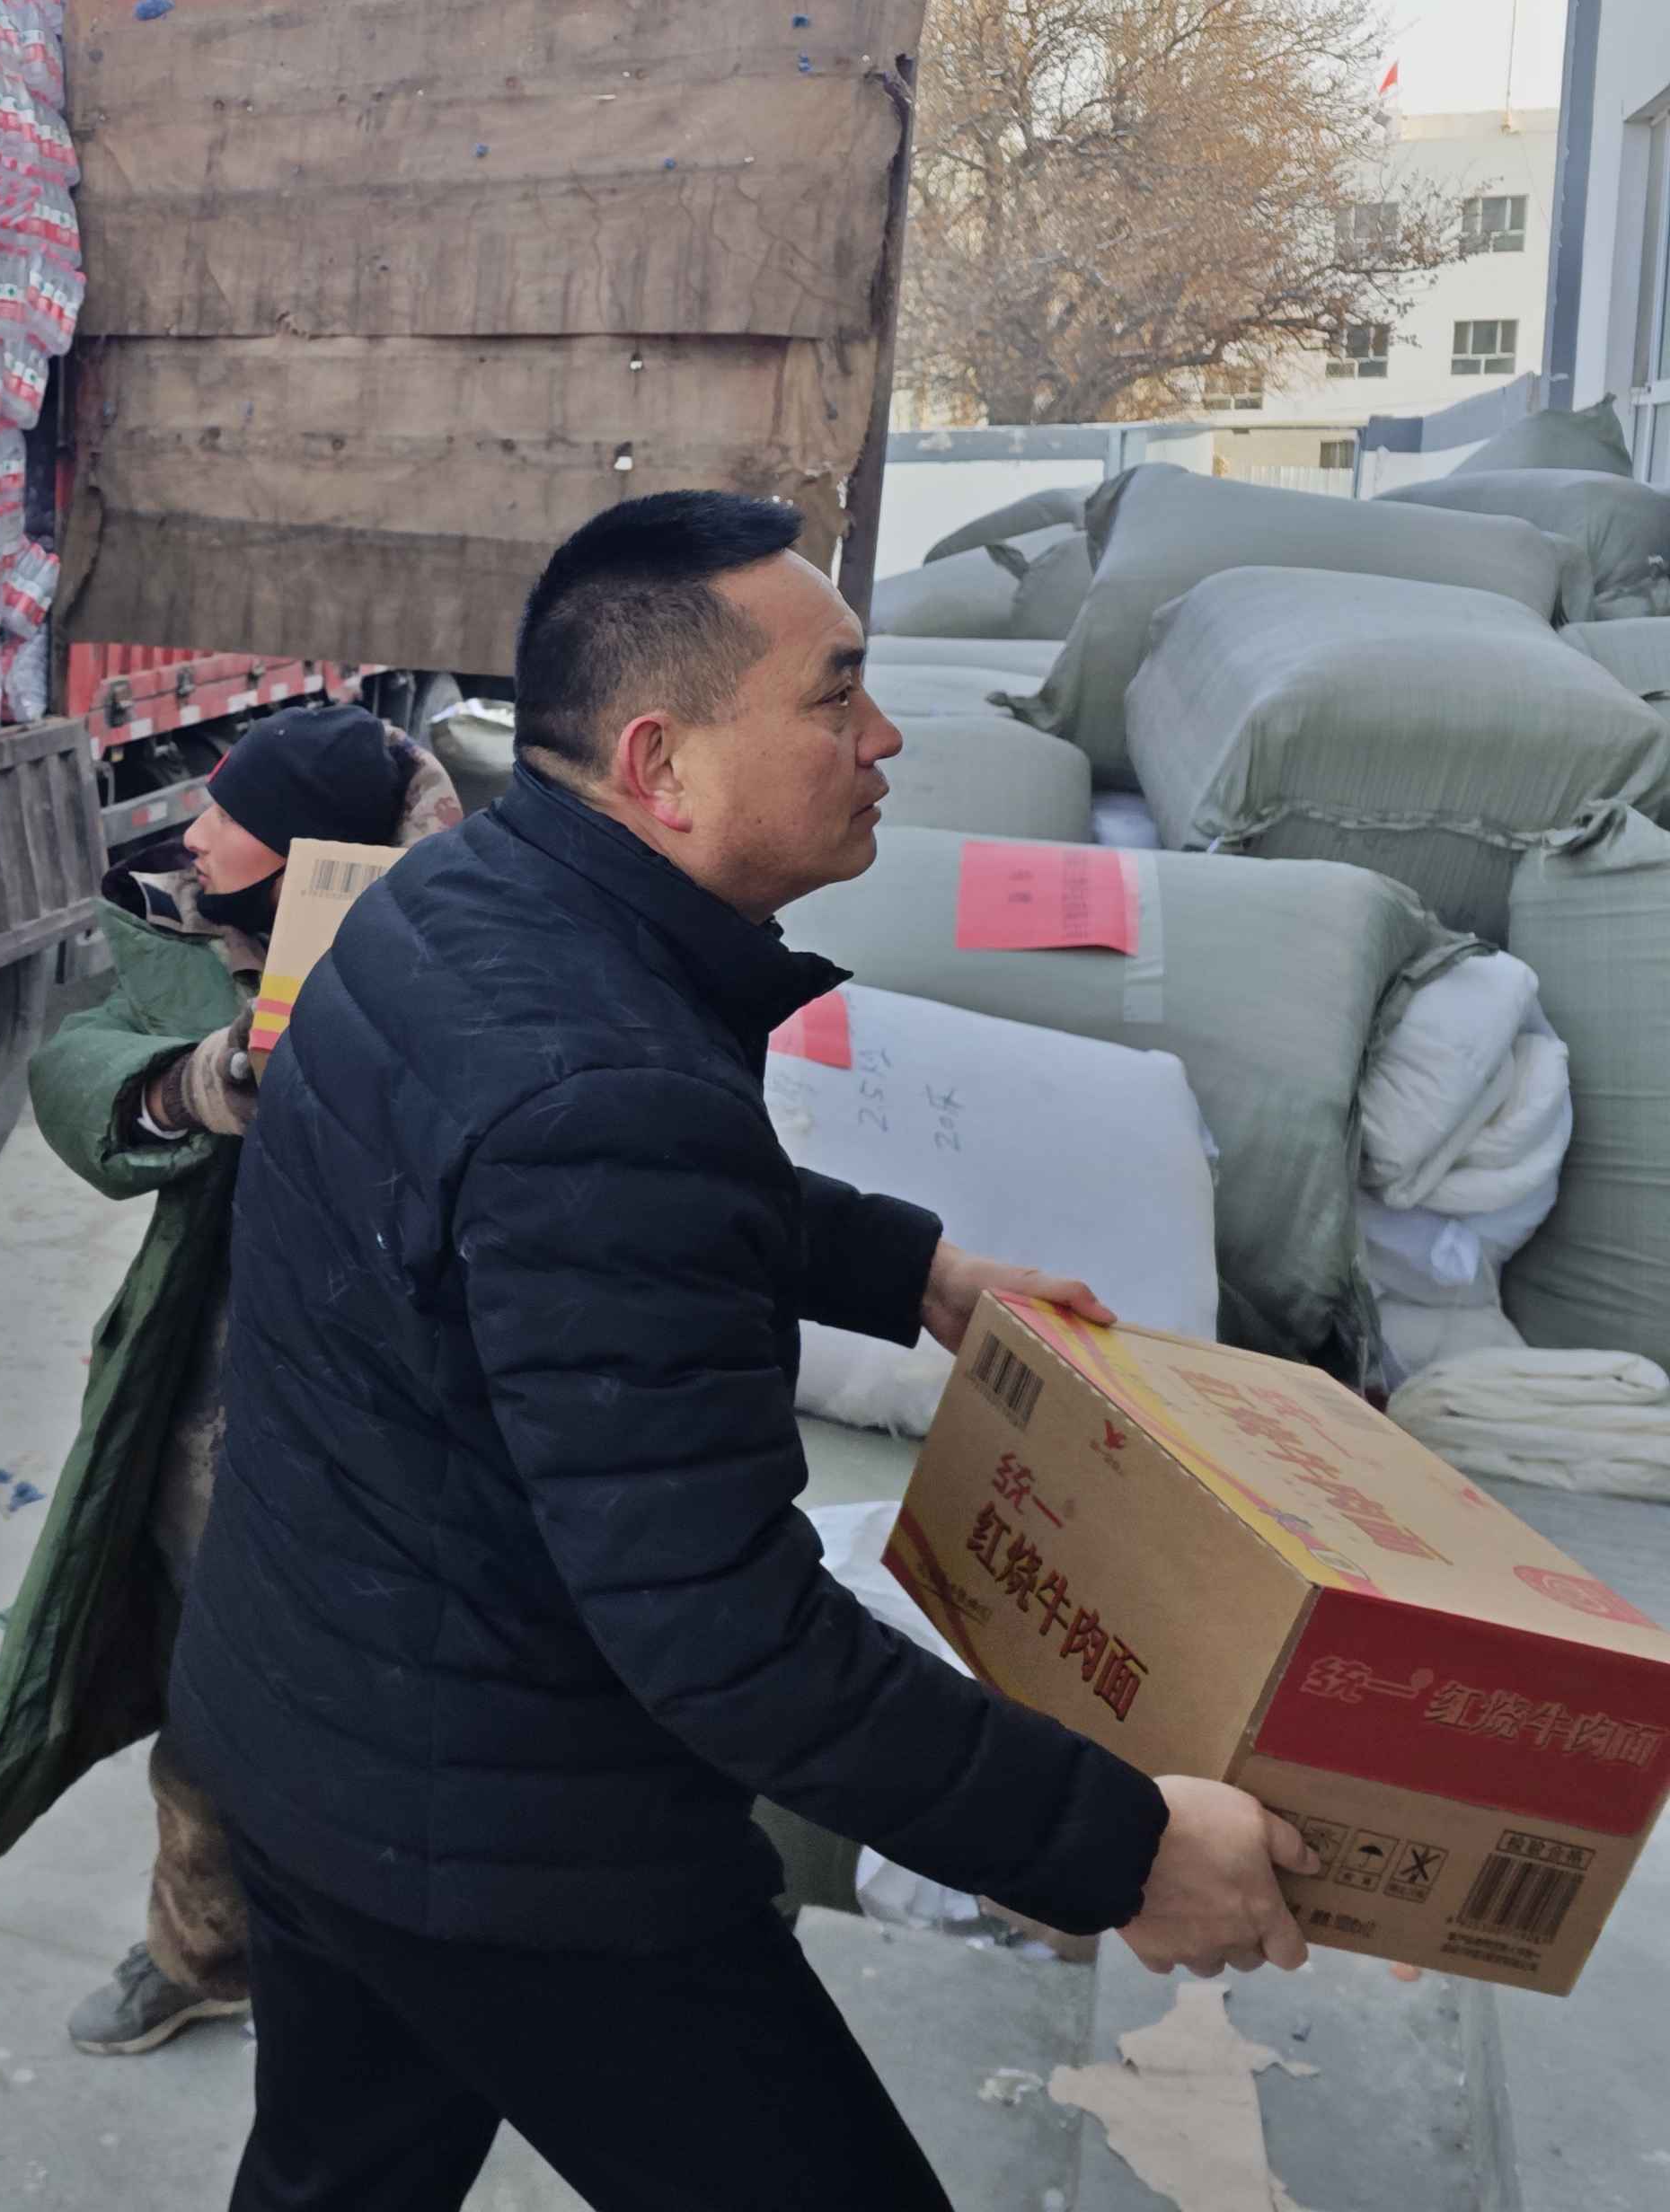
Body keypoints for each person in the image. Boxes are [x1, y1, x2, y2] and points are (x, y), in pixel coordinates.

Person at [164, 491, 1318, 2212]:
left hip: (303, 1725)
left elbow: (568, 1212)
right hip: (516, 1846)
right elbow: (728, 1637)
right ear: (662, 764)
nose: (884, 735)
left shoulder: (452, 903)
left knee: (338, 2179)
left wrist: (912, 1270)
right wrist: (1121, 1844)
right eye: (834, 694)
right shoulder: (605, 1081)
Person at [0, 703, 460, 2057]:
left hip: (397, 1430)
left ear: (309, 856)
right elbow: (76, 1057)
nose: (194, 833)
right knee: (210, 1706)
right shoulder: (202, 939)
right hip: (222, 1397)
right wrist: (191, 1088)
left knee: (386, 1730)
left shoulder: (457, 963)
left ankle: (384, 1975)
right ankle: (205, 1953)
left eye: (231, 816)